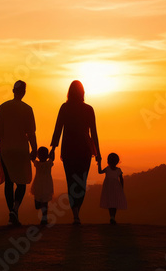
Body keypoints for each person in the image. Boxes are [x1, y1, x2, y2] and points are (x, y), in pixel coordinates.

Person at [50, 80, 102, 224]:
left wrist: (53, 148)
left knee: (71, 180)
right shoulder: (88, 109)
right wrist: (98, 153)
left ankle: (75, 213)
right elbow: (94, 133)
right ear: (82, 92)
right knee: (81, 181)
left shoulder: (65, 108)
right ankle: (77, 211)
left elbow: (58, 129)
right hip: (85, 150)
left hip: (68, 149)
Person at [0, 80, 37, 226]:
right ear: (23, 92)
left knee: (9, 183)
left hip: (7, 150)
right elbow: (31, 133)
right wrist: (34, 148)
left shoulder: (2, 108)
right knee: (21, 182)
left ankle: (11, 212)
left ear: (13, 91)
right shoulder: (28, 109)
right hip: (21, 150)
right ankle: (15, 209)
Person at [97, 152, 127, 224]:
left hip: (109, 187)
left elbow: (100, 171)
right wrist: (121, 188)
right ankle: (113, 217)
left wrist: (99, 163)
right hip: (116, 187)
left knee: (111, 202)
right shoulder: (118, 170)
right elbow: (121, 179)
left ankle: (112, 217)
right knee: (114, 202)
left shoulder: (108, 169)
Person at [30, 146, 54, 225]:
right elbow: (52, 157)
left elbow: (32, 159)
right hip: (46, 184)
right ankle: (44, 218)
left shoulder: (37, 164)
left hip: (38, 184)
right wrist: (53, 149)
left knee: (41, 203)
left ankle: (44, 219)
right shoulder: (49, 163)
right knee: (44, 203)